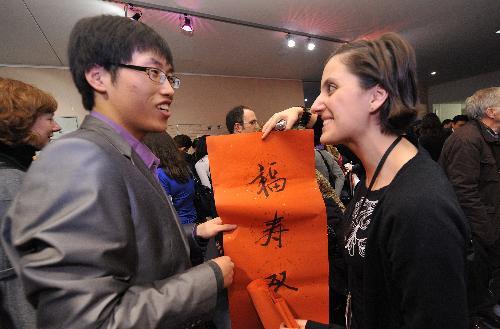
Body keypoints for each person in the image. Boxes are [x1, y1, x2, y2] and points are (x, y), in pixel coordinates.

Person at [1, 15, 236, 329]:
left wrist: (195, 233)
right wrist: (209, 278)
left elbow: (132, 247)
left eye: (170, 77)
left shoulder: (127, 156)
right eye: (153, 73)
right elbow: (89, 320)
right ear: (98, 76)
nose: (169, 90)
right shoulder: (79, 159)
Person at [262, 33, 468, 329]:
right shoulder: (375, 170)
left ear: (376, 96)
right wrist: (297, 114)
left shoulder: (421, 207)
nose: (317, 104)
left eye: (330, 88)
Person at [0, 78, 61, 329]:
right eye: (48, 118)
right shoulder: (11, 186)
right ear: (20, 122)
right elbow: (16, 288)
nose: (56, 127)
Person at [439, 87, 500, 328]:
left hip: (486, 231)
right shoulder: (467, 140)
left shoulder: (487, 138)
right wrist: (490, 235)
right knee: (477, 298)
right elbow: (464, 193)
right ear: (491, 111)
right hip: (476, 236)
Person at [143, 132, 197, 225]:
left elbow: (162, 209)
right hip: (191, 220)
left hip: (176, 226)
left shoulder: (160, 174)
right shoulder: (184, 168)